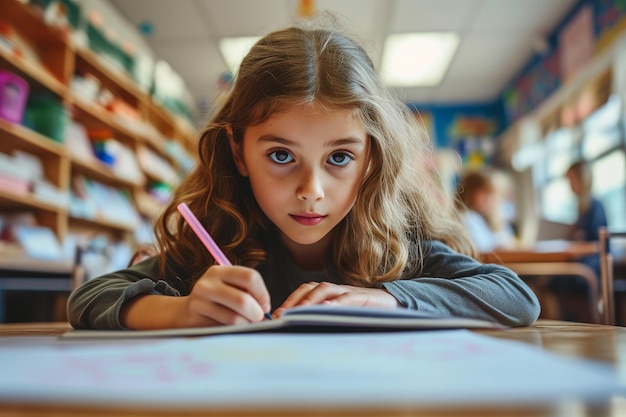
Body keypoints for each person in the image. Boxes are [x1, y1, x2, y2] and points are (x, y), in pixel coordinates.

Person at [67, 19, 540, 330]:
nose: (311, 192)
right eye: (280, 155)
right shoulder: (215, 240)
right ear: (238, 153)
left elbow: (516, 297)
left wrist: (387, 300)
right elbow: (89, 298)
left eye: (339, 158)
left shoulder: (398, 247)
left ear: (371, 158)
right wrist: (180, 310)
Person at [455, 169, 515, 252]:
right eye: (484, 193)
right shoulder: (467, 218)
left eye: (491, 194)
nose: (488, 200)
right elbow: (482, 252)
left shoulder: (491, 219)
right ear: (469, 193)